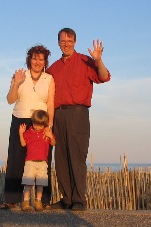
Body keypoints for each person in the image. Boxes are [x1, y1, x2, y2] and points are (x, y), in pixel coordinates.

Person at [46, 28, 111, 211]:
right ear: (58, 42)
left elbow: (104, 77)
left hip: (78, 113)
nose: (66, 44)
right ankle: (66, 198)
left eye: (69, 41)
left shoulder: (85, 61)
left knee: (77, 157)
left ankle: (79, 200)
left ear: (74, 42)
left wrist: (98, 60)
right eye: (62, 41)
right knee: (61, 159)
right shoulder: (53, 69)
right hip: (58, 115)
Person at [1, 45, 55, 210]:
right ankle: (11, 199)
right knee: (16, 158)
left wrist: (50, 126)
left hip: (40, 121)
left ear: (45, 61)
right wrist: (16, 83)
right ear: (29, 60)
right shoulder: (20, 75)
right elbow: (10, 100)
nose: (37, 62)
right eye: (34, 58)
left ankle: (43, 201)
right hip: (20, 120)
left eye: (41, 59)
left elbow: (50, 103)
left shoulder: (49, 79)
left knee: (43, 160)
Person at [19, 110, 56, 212]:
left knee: (41, 184)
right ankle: (26, 202)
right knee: (28, 183)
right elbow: (23, 144)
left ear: (44, 125)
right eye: (35, 124)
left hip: (43, 163)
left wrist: (50, 136)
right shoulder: (29, 132)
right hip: (30, 162)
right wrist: (21, 134)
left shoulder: (46, 132)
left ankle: (38, 202)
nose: (37, 127)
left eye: (40, 125)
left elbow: (53, 143)